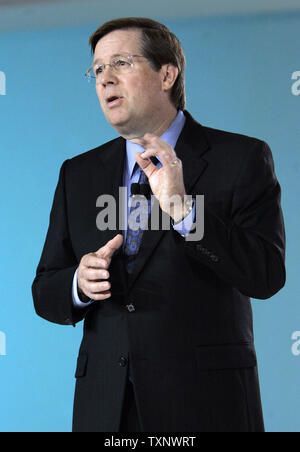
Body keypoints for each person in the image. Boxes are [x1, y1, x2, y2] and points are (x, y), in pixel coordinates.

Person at [32, 17, 286, 433]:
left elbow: (266, 275)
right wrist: (78, 283)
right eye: (97, 69)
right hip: (107, 407)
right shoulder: (77, 174)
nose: (105, 79)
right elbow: (45, 289)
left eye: (121, 63)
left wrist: (185, 211)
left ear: (167, 73)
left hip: (205, 404)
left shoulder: (241, 158)